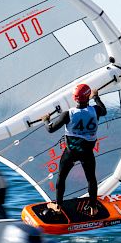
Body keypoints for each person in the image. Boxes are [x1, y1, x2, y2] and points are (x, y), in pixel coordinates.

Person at [41, 84, 107, 216]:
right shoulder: (95, 110)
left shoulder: (68, 114)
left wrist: (46, 120)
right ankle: (93, 207)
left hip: (71, 153)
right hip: (87, 152)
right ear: (88, 96)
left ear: (74, 98)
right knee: (91, 179)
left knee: (62, 177)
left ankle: (58, 205)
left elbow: (50, 129)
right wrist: (96, 97)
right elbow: (103, 110)